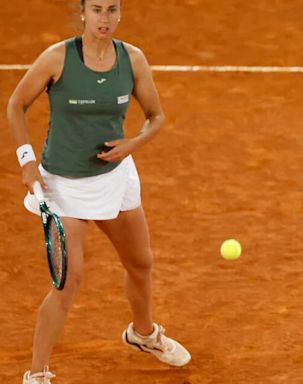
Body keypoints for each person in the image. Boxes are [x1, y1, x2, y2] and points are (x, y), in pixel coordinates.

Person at [7, 1, 191, 383]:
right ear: (83, 13)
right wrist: (27, 162)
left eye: (111, 9)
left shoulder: (133, 60)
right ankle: (37, 373)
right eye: (96, 10)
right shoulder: (57, 58)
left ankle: (142, 335)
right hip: (64, 185)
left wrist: (131, 145)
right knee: (67, 282)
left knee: (140, 263)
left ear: (120, 13)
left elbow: (156, 116)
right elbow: (16, 105)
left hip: (115, 177)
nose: (104, 18)